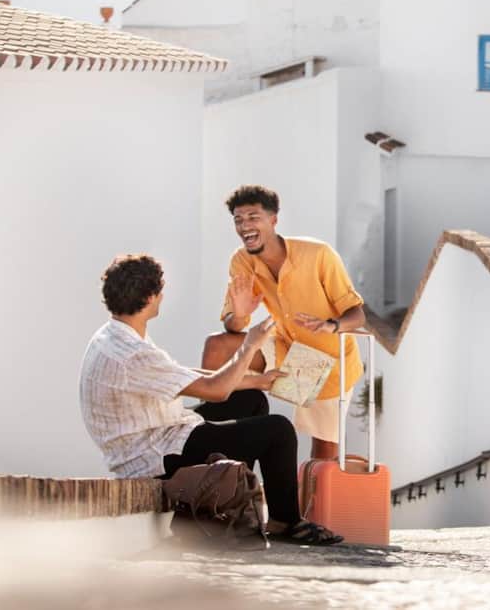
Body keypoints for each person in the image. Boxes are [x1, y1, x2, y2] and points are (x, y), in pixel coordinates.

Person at [79, 254, 341, 545]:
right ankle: (286, 521)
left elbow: (183, 375)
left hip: (157, 433)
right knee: (278, 430)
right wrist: (249, 345)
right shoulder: (133, 353)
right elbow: (215, 389)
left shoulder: (115, 335)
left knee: (251, 400)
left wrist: (256, 381)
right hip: (154, 457)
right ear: (152, 297)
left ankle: (231, 499)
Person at [201, 185, 366, 460]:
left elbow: (357, 314)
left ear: (273, 220)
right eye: (238, 220)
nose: (244, 226)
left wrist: (331, 325)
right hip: (285, 348)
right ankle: (214, 446)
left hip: (328, 365)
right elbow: (233, 326)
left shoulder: (318, 254)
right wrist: (240, 314)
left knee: (323, 454)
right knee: (218, 346)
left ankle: (313, 489)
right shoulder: (241, 260)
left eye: (253, 217)